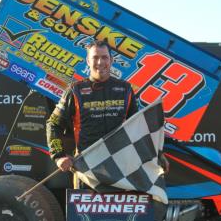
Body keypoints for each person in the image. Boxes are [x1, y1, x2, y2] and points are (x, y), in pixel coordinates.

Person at [46, 40, 169, 188]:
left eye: (104, 57)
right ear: (87, 61)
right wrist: (59, 156)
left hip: (120, 167)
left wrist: (158, 154)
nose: (100, 62)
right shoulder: (75, 91)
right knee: (85, 212)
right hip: (86, 168)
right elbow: (53, 124)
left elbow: (138, 127)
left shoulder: (125, 89)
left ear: (111, 60)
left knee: (121, 212)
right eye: (95, 57)